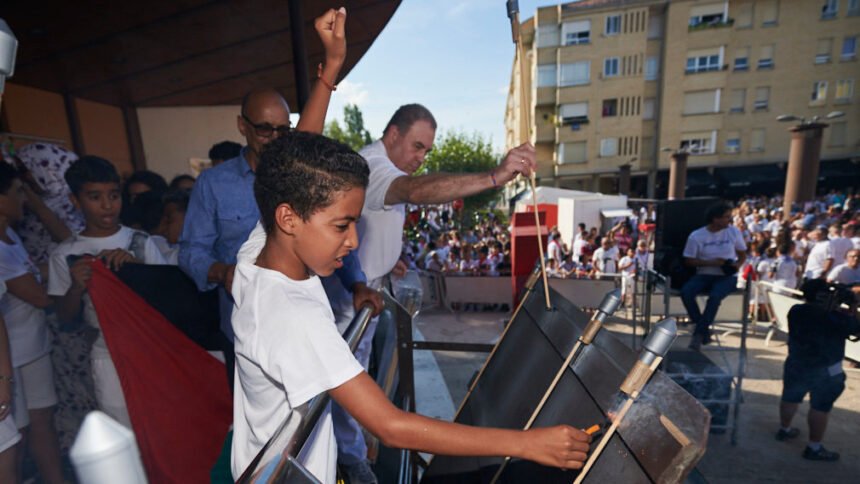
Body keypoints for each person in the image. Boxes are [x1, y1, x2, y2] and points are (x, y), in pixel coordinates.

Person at [230, 132, 589, 481]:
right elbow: (391, 426)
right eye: (342, 226)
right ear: (288, 218)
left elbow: (290, 161)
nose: (353, 241)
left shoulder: (257, 253)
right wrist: (529, 443)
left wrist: (326, 81)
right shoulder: (293, 316)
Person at [321, 103, 536, 482]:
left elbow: (376, 223)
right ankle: (352, 462)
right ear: (392, 136)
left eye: (427, 152)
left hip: (368, 291)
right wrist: (494, 176)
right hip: (347, 303)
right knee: (344, 386)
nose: (421, 158)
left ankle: (351, 451)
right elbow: (415, 191)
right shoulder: (374, 166)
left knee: (354, 380)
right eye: (417, 147)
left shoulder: (387, 166)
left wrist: (389, 259)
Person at [178, 8, 380, 350]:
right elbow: (190, 253)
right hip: (250, 333)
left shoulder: (286, 189)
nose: (274, 137)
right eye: (264, 128)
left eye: (283, 129)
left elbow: (334, 231)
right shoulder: (227, 204)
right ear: (243, 126)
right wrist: (223, 273)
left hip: (314, 323)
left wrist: (332, 66)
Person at [48, 156, 167, 428]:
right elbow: (65, 318)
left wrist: (137, 269)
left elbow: (166, 296)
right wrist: (77, 288)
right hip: (106, 354)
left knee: (161, 424)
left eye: (114, 195)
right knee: (122, 427)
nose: (107, 205)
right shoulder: (65, 254)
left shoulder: (139, 242)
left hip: (152, 346)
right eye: (95, 197)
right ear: (75, 201)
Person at [0, 164, 65, 483]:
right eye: (17, 192)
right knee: (17, 438)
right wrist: (72, 288)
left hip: (33, 349)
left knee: (42, 424)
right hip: (11, 360)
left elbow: (31, 271)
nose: (23, 200)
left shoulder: (9, 235)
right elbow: (39, 296)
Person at [776, 279, 860, 461]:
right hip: (826, 370)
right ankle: (814, 447)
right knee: (820, 407)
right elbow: (856, 328)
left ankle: (784, 429)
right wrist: (853, 308)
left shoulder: (796, 311)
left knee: (790, 397)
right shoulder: (835, 317)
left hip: (796, 363)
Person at [681, 202, 747, 351]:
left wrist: (736, 265)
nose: (729, 221)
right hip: (705, 274)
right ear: (715, 219)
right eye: (726, 217)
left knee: (715, 296)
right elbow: (689, 261)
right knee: (686, 292)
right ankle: (703, 329)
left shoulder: (734, 232)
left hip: (727, 277)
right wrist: (712, 263)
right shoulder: (697, 236)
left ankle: (698, 334)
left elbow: (742, 254)